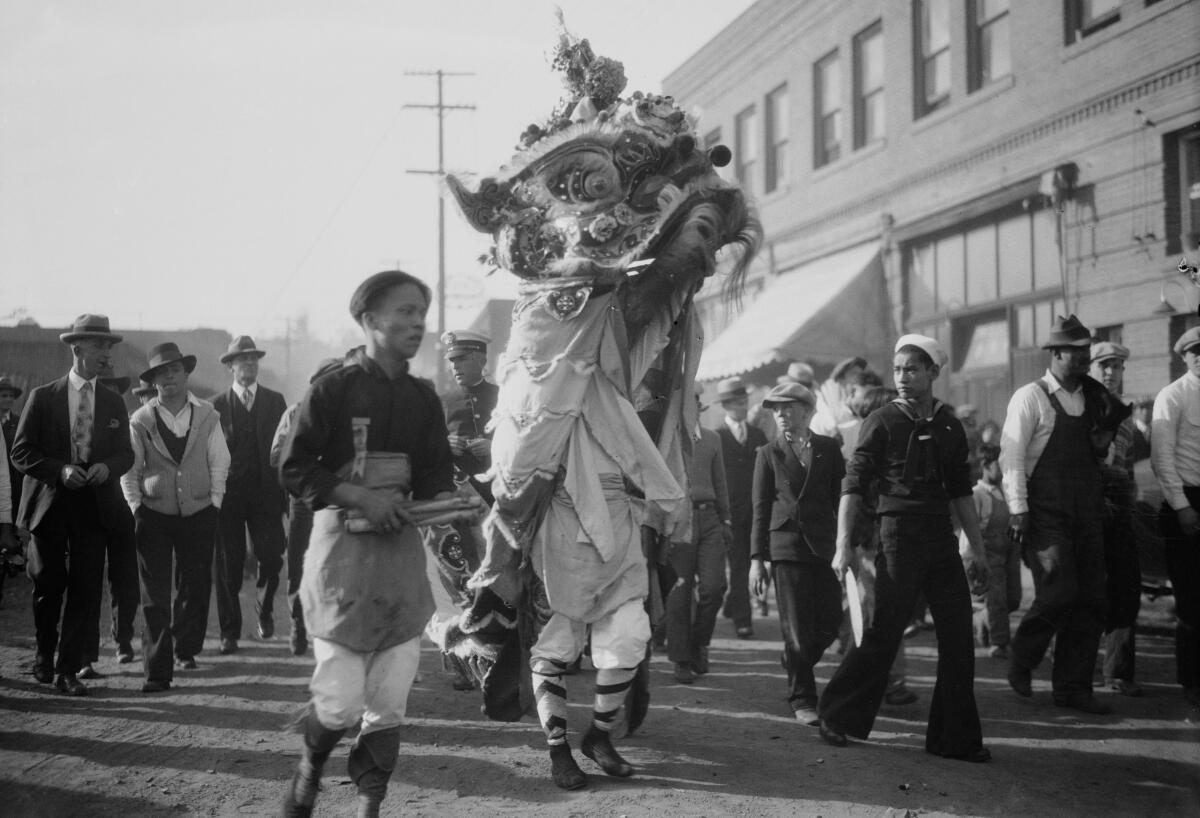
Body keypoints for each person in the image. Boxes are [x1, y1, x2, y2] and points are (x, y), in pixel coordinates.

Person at [279, 270, 458, 818]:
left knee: (389, 699)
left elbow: (433, 476)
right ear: (369, 319)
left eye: (420, 313)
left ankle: (369, 804)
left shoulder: (423, 398)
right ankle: (310, 767)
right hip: (342, 560)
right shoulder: (333, 387)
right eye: (403, 311)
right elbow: (292, 466)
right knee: (338, 702)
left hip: (401, 560)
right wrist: (360, 496)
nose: (416, 322)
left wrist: (451, 501)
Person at [818, 334, 991, 762]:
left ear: (933, 373)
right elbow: (853, 485)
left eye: (912, 369)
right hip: (897, 537)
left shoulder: (950, 426)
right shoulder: (881, 421)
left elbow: (961, 492)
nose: (903, 378)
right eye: (897, 370)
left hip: (941, 542)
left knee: (957, 638)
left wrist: (979, 548)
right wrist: (843, 544)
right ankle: (836, 716)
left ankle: (954, 740)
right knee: (884, 632)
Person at [1002, 315, 1127, 715]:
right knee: (1059, 591)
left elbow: (1099, 452)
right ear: (1055, 354)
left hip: (1087, 512)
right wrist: (1018, 510)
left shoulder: (1091, 399)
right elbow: (1012, 458)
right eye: (1076, 353)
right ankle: (1022, 658)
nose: (1085, 360)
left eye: (1086, 352)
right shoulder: (1030, 397)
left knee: (1092, 598)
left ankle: (1073, 689)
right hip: (1045, 514)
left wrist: (1105, 437)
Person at [11, 314, 134, 696]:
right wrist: (58, 470)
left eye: (109, 347)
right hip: (49, 502)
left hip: (94, 506)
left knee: (85, 587)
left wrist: (105, 467)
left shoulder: (114, 401)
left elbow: (125, 455)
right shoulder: (43, 397)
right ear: (77, 349)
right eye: (99, 346)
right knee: (48, 583)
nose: (106, 354)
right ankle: (44, 655)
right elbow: (21, 451)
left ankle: (67, 670)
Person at [121, 343, 230, 690]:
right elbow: (129, 469)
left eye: (174, 371)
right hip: (153, 514)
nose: (168, 379)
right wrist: (136, 506)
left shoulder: (208, 415)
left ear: (186, 374)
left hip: (199, 512)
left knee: (195, 585)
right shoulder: (140, 420)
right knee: (154, 594)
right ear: (152, 382)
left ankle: (186, 648)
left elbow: (220, 462)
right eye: (160, 374)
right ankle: (157, 670)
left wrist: (214, 502)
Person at [749, 382, 844, 725]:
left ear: (809, 411)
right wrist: (756, 560)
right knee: (797, 631)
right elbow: (760, 509)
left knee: (832, 622)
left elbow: (841, 500)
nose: (782, 415)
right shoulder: (767, 454)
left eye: (789, 408)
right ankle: (803, 699)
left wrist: (847, 545)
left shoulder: (829, 449)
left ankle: (794, 658)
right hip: (786, 548)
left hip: (824, 548)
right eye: (776, 409)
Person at [212, 335, 288, 654]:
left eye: (254, 359)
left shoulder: (275, 401)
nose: (250, 364)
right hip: (228, 496)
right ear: (230, 366)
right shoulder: (216, 406)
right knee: (229, 564)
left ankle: (264, 607)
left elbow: (284, 447)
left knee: (271, 557)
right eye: (243, 360)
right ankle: (229, 632)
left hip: (266, 494)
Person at [269, 357, 343, 656]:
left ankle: (334, 629)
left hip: (340, 502)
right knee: (300, 564)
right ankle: (299, 624)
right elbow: (276, 458)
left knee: (340, 565)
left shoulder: (352, 416)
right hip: (304, 501)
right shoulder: (295, 413)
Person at [1151, 327, 1200, 710]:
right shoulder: (1173, 396)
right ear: (1183, 356)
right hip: (1186, 502)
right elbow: (1162, 459)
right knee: (1190, 601)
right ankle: (1192, 684)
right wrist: (1182, 506)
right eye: (1194, 351)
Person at [668, 388, 731, 684]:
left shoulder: (712, 439)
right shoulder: (667, 440)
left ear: (699, 407)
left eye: (693, 403)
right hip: (678, 520)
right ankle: (681, 659)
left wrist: (726, 519)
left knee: (713, 587)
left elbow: (721, 482)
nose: (689, 409)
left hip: (709, 519)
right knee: (679, 593)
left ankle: (699, 644)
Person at [1090, 341, 1142, 697]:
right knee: (1086, 586)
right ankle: (1076, 664)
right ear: (1093, 368)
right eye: (1104, 365)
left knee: (1125, 585)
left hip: (1120, 502)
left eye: (1117, 366)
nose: (1111, 372)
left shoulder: (1128, 416)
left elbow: (1129, 462)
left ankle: (1118, 671)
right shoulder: (1083, 407)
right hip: (1088, 501)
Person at [78, 374, 140, 675]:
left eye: (113, 390)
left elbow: (127, 456)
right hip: (85, 507)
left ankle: (123, 639)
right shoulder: (79, 418)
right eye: (103, 388)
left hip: (118, 505)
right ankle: (86, 654)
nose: (108, 395)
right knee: (87, 581)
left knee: (126, 578)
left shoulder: (121, 417)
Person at [714, 376, 766, 638]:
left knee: (745, 563)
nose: (743, 405)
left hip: (754, 511)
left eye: (744, 400)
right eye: (736, 401)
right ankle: (743, 619)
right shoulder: (716, 436)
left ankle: (733, 607)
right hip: (728, 513)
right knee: (737, 565)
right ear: (725, 405)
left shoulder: (758, 435)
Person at [965, 444, 1017, 659]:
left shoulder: (1007, 491)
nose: (1003, 469)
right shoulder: (976, 495)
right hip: (988, 553)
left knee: (1014, 598)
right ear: (986, 465)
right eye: (999, 464)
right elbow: (969, 530)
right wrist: (972, 559)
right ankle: (999, 642)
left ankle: (982, 618)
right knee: (997, 599)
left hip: (1010, 551)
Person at [440, 330, 499, 506]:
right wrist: (445, 445)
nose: (456, 366)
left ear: (482, 361)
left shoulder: (504, 397)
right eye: (452, 361)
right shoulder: (442, 402)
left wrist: (494, 447)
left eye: (462, 359)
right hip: (459, 493)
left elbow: (520, 441)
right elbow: (425, 447)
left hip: (498, 489)